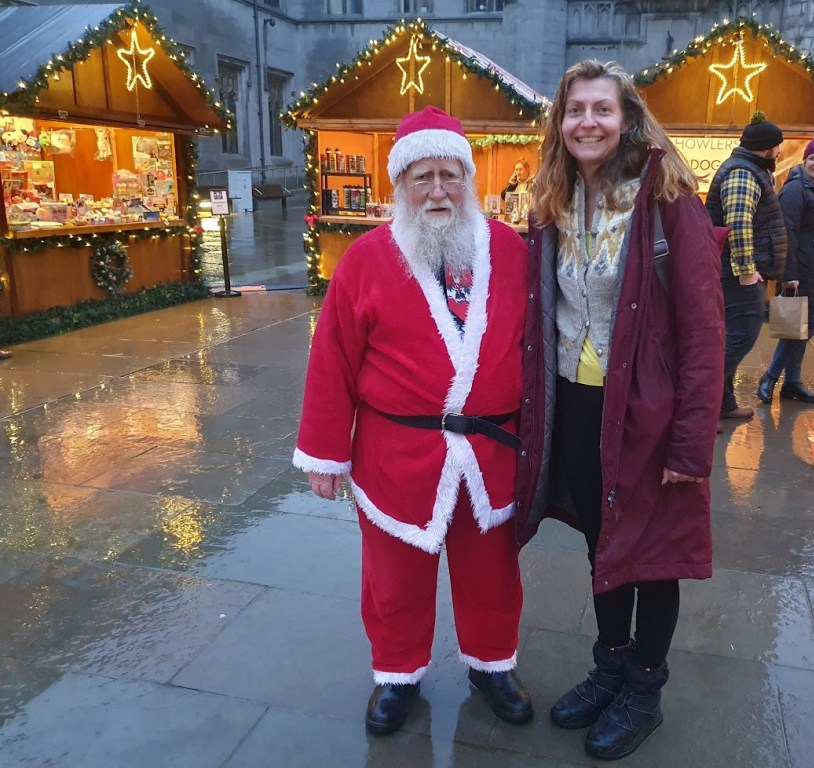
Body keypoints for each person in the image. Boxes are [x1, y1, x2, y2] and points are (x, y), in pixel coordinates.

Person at [293, 105, 533, 735]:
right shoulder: (367, 260)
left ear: (469, 180)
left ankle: (492, 666)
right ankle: (396, 676)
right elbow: (333, 359)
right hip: (396, 455)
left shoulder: (510, 250)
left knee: (492, 571)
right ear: (399, 186)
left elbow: (538, 347)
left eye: (449, 174)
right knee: (394, 576)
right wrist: (325, 454)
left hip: (490, 452)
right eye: (421, 176)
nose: (436, 190)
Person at [515, 60, 724, 761]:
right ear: (561, 123)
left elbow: (704, 331)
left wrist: (692, 445)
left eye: (601, 109)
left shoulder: (669, 199)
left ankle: (644, 688)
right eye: (575, 110)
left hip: (649, 410)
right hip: (577, 399)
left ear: (628, 116)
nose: (588, 122)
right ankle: (609, 668)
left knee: (653, 553)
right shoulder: (557, 196)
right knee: (603, 539)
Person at [756, 128, 814, 406]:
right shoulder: (796, 189)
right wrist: (789, 274)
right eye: (813, 158)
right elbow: (788, 233)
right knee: (800, 327)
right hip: (806, 271)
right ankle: (771, 376)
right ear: (805, 161)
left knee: (809, 327)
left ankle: (792, 383)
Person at [704, 113, 787, 420]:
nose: (779, 151)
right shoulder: (743, 173)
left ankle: (722, 405)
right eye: (777, 146)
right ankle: (697, 407)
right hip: (737, 274)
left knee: (731, 338)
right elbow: (738, 224)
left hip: (736, 271)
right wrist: (746, 270)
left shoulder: (752, 170)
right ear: (768, 148)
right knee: (741, 335)